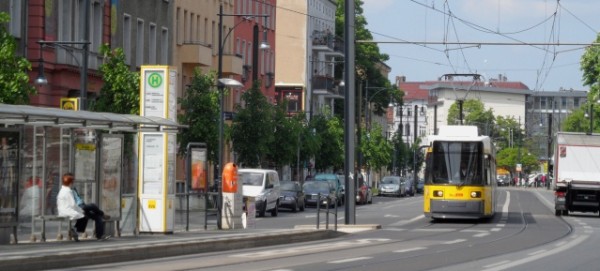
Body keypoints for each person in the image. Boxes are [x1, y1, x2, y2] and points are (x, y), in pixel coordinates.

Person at [57, 173, 110, 241]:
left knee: (97, 217)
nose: (73, 182)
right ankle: (102, 214)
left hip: (82, 205)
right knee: (92, 206)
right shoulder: (65, 191)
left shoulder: (73, 189)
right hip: (76, 207)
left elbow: (78, 199)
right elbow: (71, 204)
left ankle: (99, 235)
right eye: (72, 180)